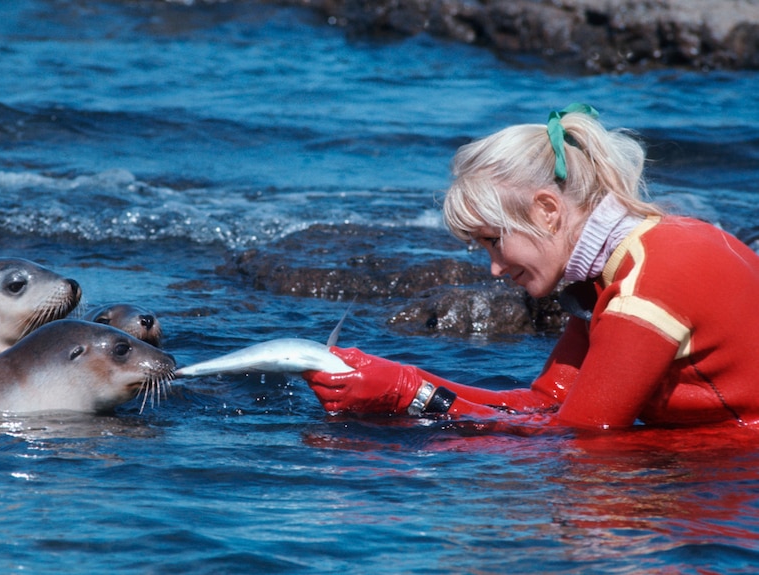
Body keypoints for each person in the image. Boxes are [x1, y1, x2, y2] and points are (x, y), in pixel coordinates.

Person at [303, 104, 759, 430]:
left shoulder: (643, 290)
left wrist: (410, 396)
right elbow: (543, 404)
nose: (495, 269)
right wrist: (400, 375)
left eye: (494, 241)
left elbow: (578, 439)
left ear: (547, 210)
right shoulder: (617, 267)